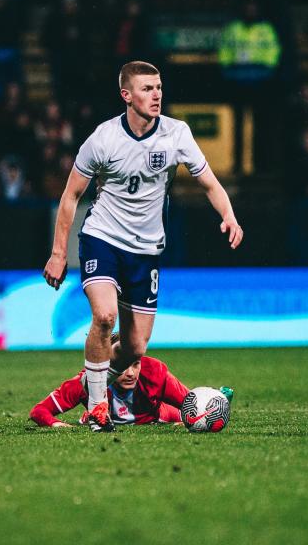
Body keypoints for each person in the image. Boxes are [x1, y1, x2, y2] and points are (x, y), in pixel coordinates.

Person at [42, 61, 243, 432]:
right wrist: (58, 254)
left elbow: (210, 183)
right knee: (104, 317)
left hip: (146, 251)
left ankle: (90, 384)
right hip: (103, 238)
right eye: (148, 88)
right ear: (127, 96)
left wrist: (228, 216)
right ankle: (98, 408)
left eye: (159, 87)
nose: (157, 94)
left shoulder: (177, 134)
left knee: (135, 347)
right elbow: (70, 196)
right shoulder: (103, 139)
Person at [29, 344, 188, 428]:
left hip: (160, 416)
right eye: (122, 366)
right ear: (107, 364)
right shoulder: (88, 380)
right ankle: (93, 415)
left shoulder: (155, 372)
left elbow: (194, 402)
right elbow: (39, 411)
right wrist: (55, 424)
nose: (130, 373)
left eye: (135, 365)